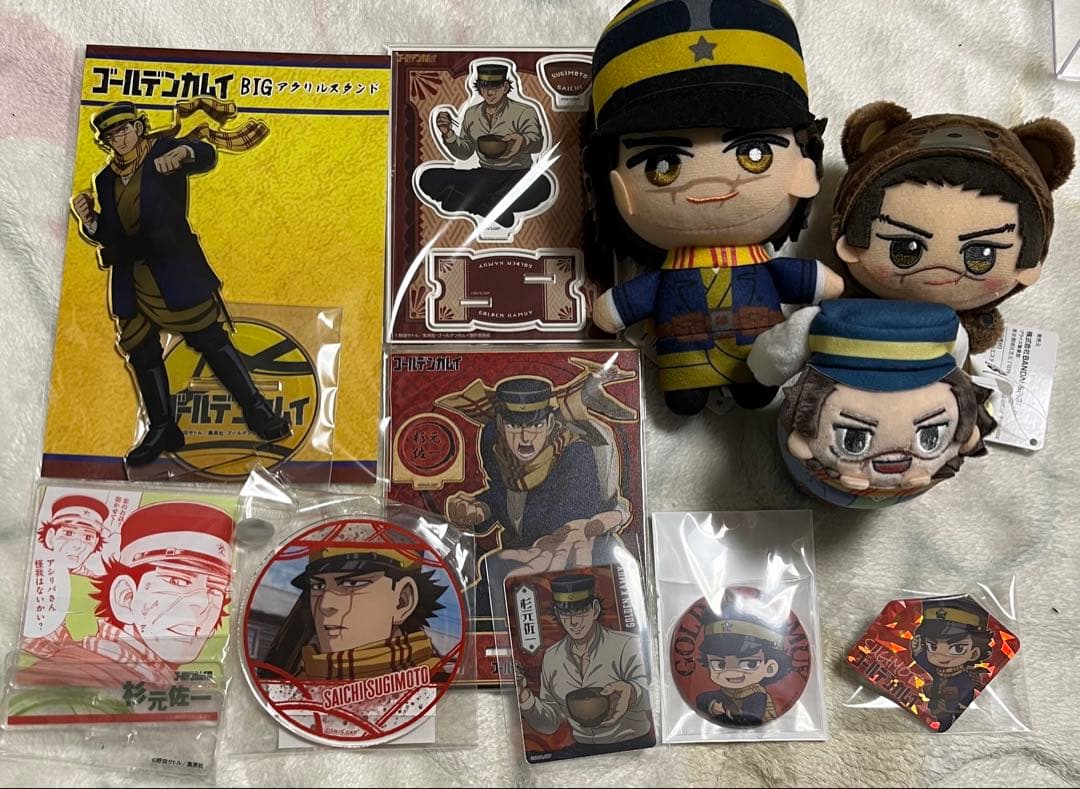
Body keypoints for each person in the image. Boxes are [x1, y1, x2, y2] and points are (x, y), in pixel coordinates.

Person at [585, 0, 844, 415]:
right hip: (685, 358)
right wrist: (617, 308)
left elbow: (796, 278)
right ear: (609, 182)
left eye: (755, 154)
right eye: (662, 164)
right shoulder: (670, 269)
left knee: (756, 388)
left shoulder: (759, 263)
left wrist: (818, 281)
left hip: (757, 355)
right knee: (686, 397)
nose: (712, 186)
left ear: (805, 158)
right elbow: (631, 301)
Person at [70, 100, 290, 466]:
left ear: (138, 127)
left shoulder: (163, 150)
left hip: (172, 268)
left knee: (211, 340)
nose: (118, 140)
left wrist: (186, 152)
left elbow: (205, 155)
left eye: (122, 130)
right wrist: (90, 221)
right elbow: (111, 233)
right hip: (131, 277)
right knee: (141, 352)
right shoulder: (105, 178)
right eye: (110, 136)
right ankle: (162, 428)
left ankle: (258, 411)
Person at [19, 501, 233, 687]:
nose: (202, 604)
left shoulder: (161, 681)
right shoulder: (68, 675)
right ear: (126, 597)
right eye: (177, 580)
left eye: (215, 589)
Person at [260, 546, 447, 682]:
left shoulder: (433, 685)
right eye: (318, 586)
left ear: (402, 601)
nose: (325, 604)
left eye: (351, 584)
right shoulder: (296, 683)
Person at [516, 574, 653, 756]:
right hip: (584, 750)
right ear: (558, 613)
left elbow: (653, 694)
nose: (574, 622)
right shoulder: (552, 657)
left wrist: (631, 693)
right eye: (566, 613)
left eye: (580, 611)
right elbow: (550, 723)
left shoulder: (628, 644)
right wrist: (525, 697)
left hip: (635, 745)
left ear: (595, 609)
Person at [416, 62, 552, 231]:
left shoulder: (524, 111)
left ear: (505, 87)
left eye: (495, 87)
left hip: (516, 175)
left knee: (543, 185)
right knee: (428, 178)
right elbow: (464, 152)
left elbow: (537, 142)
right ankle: (490, 208)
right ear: (479, 88)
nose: (489, 92)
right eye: (484, 87)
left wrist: (522, 141)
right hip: (484, 176)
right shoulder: (471, 113)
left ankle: (465, 202)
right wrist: (448, 133)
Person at [694, 607, 790, 727]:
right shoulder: (728, 691)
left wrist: (728, 714)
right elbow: (702, 699)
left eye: (749, 664)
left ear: (770, 668)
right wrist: (712, 705)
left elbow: (750, 719)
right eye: (720, 664)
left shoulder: (757, 695)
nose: (731, 672)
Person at [910, 597, 994, 732]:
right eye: (932, 646)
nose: (941, 655)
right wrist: (918, 650)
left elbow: (965, 693)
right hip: (938, 710)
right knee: (942, 722)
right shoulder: (938, 670)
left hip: (956, 710)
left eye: (957, 648)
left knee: (951, 721)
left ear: (974, 653)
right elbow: (925, 662)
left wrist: (949, 699)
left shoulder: (964, 678)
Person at [36, 494, 115, 577]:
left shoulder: (95, 581)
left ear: (95, 543)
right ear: (50, 537)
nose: (77, 546)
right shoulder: (37, 571)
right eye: (68, 533)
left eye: (88, 538)